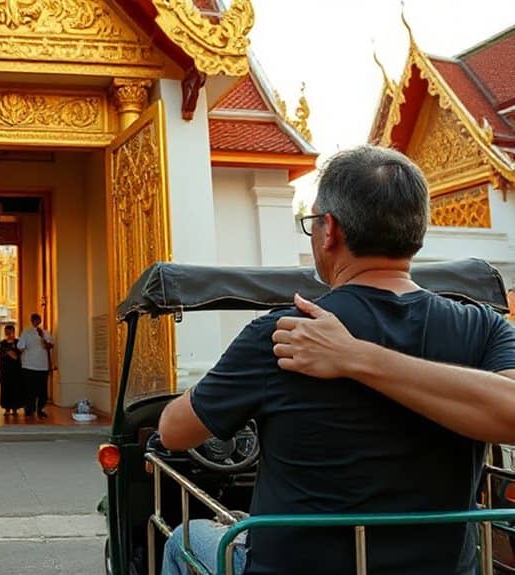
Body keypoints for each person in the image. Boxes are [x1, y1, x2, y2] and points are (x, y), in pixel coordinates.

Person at [158, 145, 515, 575]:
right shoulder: (483, 328)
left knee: (185, 537)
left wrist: (354, 357)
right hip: (441, 566)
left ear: (330, 230)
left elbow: (174, 432)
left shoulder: (284, 334)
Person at [17, 313, 53, 419]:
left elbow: (50, 346)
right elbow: (20, 347)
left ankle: (40, 409)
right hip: (28, 365)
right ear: (31, 321)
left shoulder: (46, 333)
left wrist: (42, 337)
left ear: (40, 321)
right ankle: (29, 409)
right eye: (34, 320)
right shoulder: (26, 332)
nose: (36, 321)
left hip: (42, 366)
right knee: (29, 389)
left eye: (38, 320)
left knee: (42, 390)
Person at [0, 324, 23, 416]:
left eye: (9, 332)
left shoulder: (18, 343)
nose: (8, 334)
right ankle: (7, 409)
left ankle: (15, 408)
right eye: (6, 332)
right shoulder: (1, 344)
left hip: (16, 370)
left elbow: (19, 355)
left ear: (13, 332)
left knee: (16, 389)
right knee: (5, 389)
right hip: (5, 371)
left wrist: (12, 354)